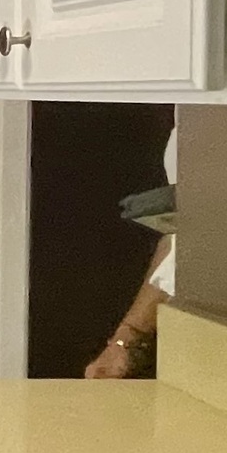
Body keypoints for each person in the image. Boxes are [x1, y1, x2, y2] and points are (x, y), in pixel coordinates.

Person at [86, 127, 177, 379]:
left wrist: (125, 339)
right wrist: (124, 341)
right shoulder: (187, 128)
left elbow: (193, 233)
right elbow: (180, 239)